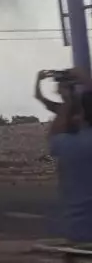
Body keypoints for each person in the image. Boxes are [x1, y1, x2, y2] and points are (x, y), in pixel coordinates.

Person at [47, 68, 92, 243]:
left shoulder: (68, 145)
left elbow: (54, 135)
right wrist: (87, 81)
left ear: (80, 116)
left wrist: (67, 100)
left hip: (80, 233)